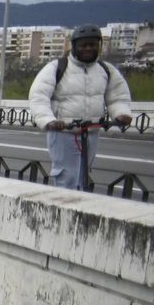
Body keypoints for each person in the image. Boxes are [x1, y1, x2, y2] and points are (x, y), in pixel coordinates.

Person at [27, 24, 133, 191]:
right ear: (74, 46)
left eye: (92, 44)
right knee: (66, 176)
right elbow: (38, 97)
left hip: (91, 131)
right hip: (64, 131)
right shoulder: (57, 67)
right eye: (83, 45)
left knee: (83, 175)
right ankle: (63, 208)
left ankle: (80, 208)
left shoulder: (105, 70)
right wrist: (49, 120)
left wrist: (121, 114)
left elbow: (118, 97)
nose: (88, 48)